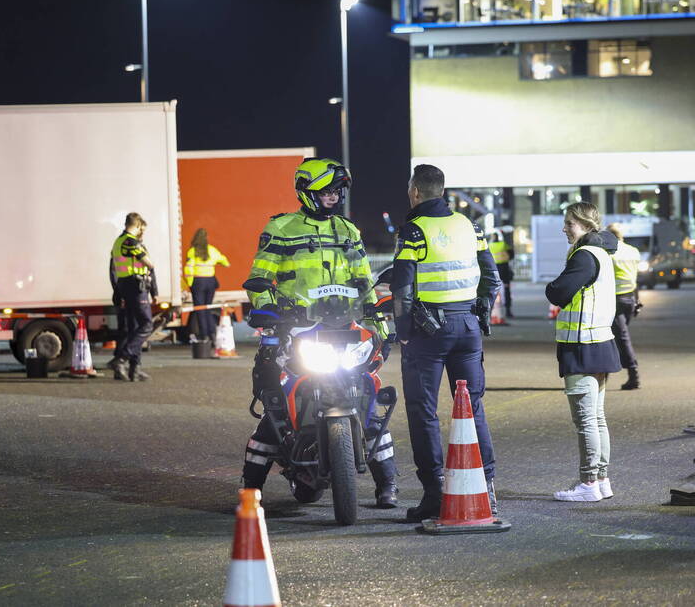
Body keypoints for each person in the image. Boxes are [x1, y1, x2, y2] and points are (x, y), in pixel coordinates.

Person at [240, 158, 398, 508]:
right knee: (275, 409)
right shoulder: (281, 229)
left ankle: (388, 483)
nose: (334, 196)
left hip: (343, 330)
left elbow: (364, 284)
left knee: (368, 403)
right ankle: (250, 489)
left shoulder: (348, 230)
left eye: (337, 190)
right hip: (296, 331)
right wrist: (269, 314)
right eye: (326, 191)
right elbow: (260, 278)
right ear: (307, 192)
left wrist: (380, 327)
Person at [390, 164, 502, 522]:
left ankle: (435, 493)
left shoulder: (414, 231)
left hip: (427, 332)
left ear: (415, 192)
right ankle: (487, 489)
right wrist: (480, 316)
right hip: (467, 325)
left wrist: (403, 330)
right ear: (443, 190)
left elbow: (403, 289)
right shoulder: (469, 226)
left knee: (423, 411)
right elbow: (492, 277)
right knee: (473, 407)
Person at [546, 202, 622, 503]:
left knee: (587, 420)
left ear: (584, 224)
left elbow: (558, 292)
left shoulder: (584, 256)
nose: (565, 228)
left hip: (581, 345)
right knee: (597, 418)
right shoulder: (602, 253)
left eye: (569, 223)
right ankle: (601, 479)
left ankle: (589, 482)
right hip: (600, 342)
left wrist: (553, 286)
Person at [107, 212, 155, 382]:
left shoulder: (118, 241)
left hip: (125, 286)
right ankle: (121, 359)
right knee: (146, 325)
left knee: (133, 328)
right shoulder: (130, 241)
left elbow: (114, 268)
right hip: (135, 286)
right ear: (136, 225)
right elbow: (149, 264)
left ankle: (135, 368)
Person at [606, 223, 643, 390]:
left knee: (620, 337)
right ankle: (604, 372)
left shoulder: (608, 253)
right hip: (629, 299)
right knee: (615, 337)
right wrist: (637, 300)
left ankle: (633, 374)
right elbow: (635, 279)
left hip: (613, 299)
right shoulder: (633, 251)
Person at [184, 228, 230, 345]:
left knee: (200, 310)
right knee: (208, 309)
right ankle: (213, 334)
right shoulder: (212, 250)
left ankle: (205, 336)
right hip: (210, 282)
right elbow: (225, 262)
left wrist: (190, 283)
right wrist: (220, 263)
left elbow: (188, 269)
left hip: (198, 282)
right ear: (206, 238)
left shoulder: (192, 251)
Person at [488, 229, 515, 318]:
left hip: (493, 270)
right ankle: (508, 311)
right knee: (507, 290)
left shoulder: (489, 245)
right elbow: (511, 254)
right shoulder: (503, 244)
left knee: (492, 291)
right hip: (504, 269)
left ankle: (491, 311)